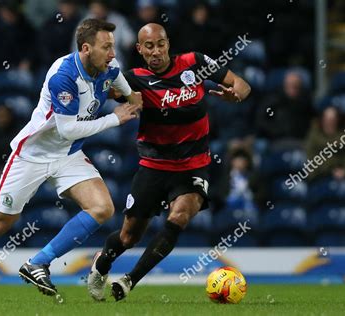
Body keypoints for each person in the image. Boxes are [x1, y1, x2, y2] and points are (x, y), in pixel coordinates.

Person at [0, 18, 143, 302]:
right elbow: (68, 128)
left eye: (113, 47)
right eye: (106, 47)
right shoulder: (63, 75)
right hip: (33, 154)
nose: (113, 54)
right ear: (86, 48)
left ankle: (38, 263)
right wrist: (114, 118)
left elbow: (128, 91)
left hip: (68, 154)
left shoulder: (109, 68)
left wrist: (134, 96)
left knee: (102, 208)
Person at [87, 23, 251, 301]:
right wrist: (115, 96)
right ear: (139, 50)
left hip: (193, 165)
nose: (156, 51)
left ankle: (129, 281)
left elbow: (241, 84)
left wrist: (236, 94)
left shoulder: (194, 63)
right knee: (128, 237)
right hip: (154, 166)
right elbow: (103, 90)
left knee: (180, 217)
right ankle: (101, 265)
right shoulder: (133, 79)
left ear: (168, 44)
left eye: (160, 44)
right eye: (148, 46)